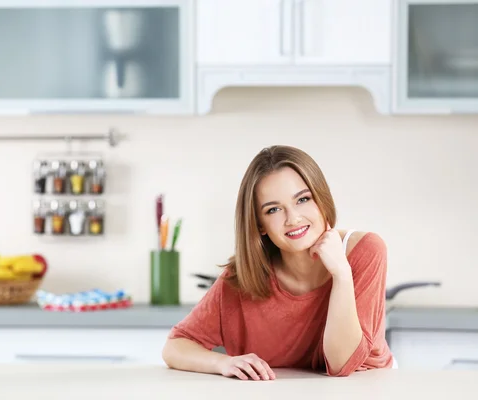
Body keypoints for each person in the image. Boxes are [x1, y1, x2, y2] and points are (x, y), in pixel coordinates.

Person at [162, 145, 395, 380]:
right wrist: (224, 363)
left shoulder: (366, 250)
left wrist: (342, 275)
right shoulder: (243, 277)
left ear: (321, 198)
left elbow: (341, 365)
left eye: (303, 199)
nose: (293, 218)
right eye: (273, 209)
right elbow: (175, 347)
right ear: (259, 224)